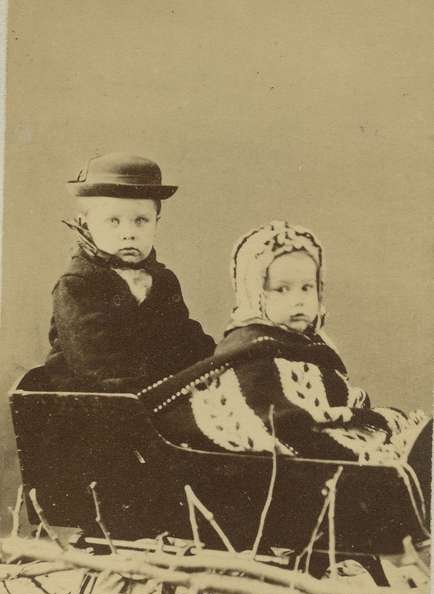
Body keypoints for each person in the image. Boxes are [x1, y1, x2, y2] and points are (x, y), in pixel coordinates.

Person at [151, 221, 430, 509]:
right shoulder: (252, 348)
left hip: (314, 437)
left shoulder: (310, 344)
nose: (298, 300)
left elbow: (331, 401)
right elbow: (276, 421)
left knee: (398, 429)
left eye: (306, 288)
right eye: (281, 290)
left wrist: (364, 417)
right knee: (380, 462)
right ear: (255, 293)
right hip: (271, 469)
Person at [45, 152, 215, 391]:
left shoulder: (163, 280)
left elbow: (184, 337)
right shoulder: (77, 284)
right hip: (93, 400)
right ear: (85, 224)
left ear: (157, 221)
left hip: (152, 392)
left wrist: (216, 361)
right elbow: (94, 365)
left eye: (141, 221)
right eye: (113, 221)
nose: (129, 233)